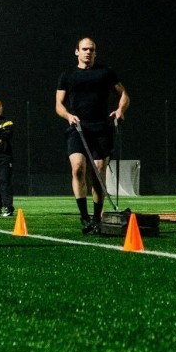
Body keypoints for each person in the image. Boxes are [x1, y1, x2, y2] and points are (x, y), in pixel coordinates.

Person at [55, 37, 129, 234]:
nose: (88, 52)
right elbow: (58, 105)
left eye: (92, 50)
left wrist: (120, 110)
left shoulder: (106, 73)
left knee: (98, 172)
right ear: (76, 51)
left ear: (95, 53)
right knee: (78, 168)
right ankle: (84, 217)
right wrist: (68, 115)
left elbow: (124, 95)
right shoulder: (68, 75)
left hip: (101, 128)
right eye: (84, 49)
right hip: (78, 127)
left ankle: (97, 218)